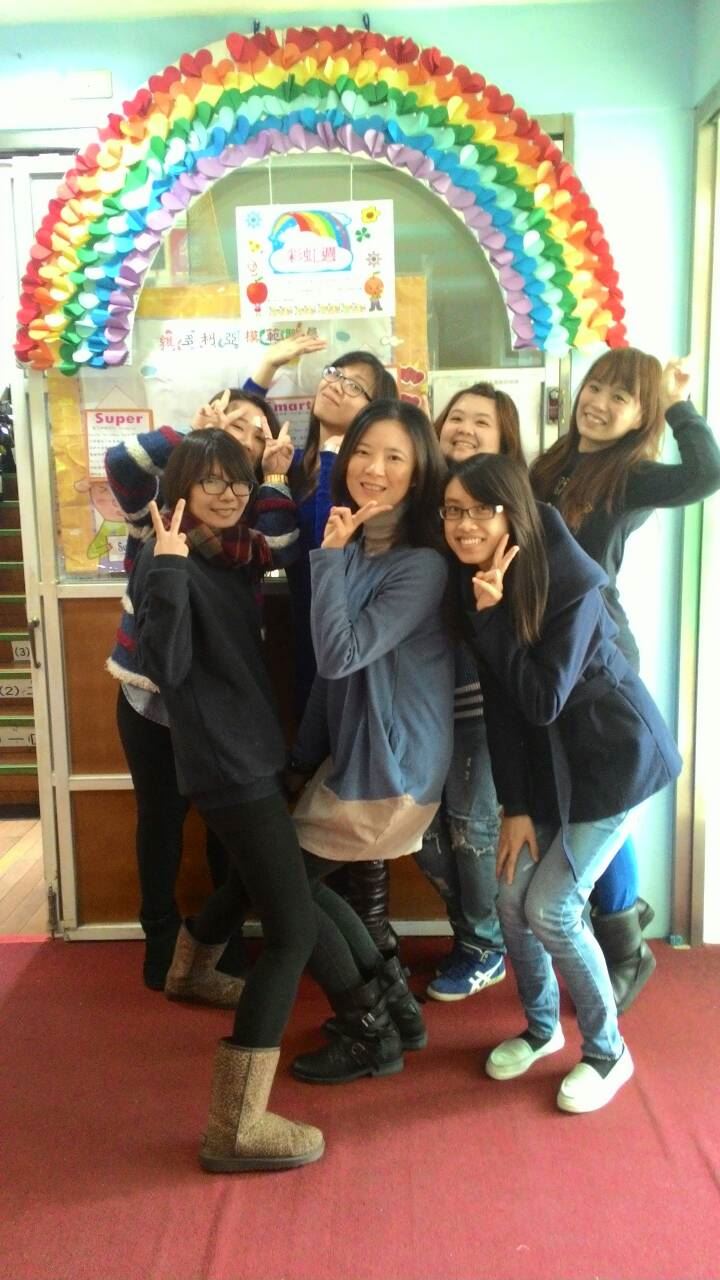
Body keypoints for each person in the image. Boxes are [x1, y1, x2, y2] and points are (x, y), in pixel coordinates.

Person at [444, 453, 681, 1113]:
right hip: (550, 771)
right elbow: (501, 708)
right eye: (453, 511)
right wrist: (515, 806)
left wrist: (491, 619)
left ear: (513, 512)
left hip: (613, 763)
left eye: (480, 510)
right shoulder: (479, 581)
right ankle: (542, 1027)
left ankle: (609, 1052)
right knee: (509, 897)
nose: (464, 525)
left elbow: (543, 698)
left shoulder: (569, 579)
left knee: (550, 908)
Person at [132, 429, 323, 1172]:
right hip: (225, 762)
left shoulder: (235, 555)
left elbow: (281, 536)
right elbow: (166, 664)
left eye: (237, 481)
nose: (227, 493)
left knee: (252, 877)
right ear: (181, 484)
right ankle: (235, 1125)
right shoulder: (170, 556)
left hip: (249, 748)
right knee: (292, 930)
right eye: (210, 480)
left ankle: (188, 970)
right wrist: (167, 566)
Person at [531, 351, 720, 1011]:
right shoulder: (552, 464)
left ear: (642, 416)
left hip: (600, 656)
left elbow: (707, 473)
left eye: (621, 398)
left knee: (602, 800)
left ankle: (626, 952)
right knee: (578, 798)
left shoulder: (630, 475)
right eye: (597, 388)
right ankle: (617, 921)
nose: (600, 403)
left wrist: (678, 402)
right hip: (548, 651)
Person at [283, 400, 455, 1084]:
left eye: (393, 457)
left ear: (419, 474)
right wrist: (303, 758)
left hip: (394, 764)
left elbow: (339, 654)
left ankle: (371, 1031)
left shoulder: (422, 564)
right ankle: (394, 1014)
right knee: (297, 885)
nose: (373, 468)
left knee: (284, 888)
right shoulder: (355, 546)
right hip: (356, 756)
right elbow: (332, 682)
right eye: (362, 451)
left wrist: (326, 559)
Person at [106, 390, 295, 992]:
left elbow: (282, 555)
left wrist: (273, 481)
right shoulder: (161, 513)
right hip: (153, 699)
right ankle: (160, 939)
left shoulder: (246, 522)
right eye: (234, 423)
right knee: (161, 820)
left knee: (224, 831)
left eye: (257, 433)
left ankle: (220, 944)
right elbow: (121, 463)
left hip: (215, 707)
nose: (245, 434)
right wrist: (186, 434)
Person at [248, 339, 400, 953]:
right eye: (335, 372)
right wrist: (267, 369)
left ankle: (371, 939)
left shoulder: (360, 476)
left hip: (353, 652)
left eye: (355, 384)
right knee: (319, 788)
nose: (336, 382)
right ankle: (338, 938)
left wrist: (338, 452)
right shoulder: (299, 462)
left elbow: (321, 545)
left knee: (354, 792)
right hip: (310, 652)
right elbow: (239, 426)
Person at [415, 383, 524, 1001]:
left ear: (505, 439)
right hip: (424, 700)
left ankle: (484, 945)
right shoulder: (428, 502)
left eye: (481, 421)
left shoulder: (514, 512)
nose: (463, 427)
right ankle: (479, 935)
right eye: (455, 416)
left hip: (485, 702)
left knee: (472, 827)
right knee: (422, 833)